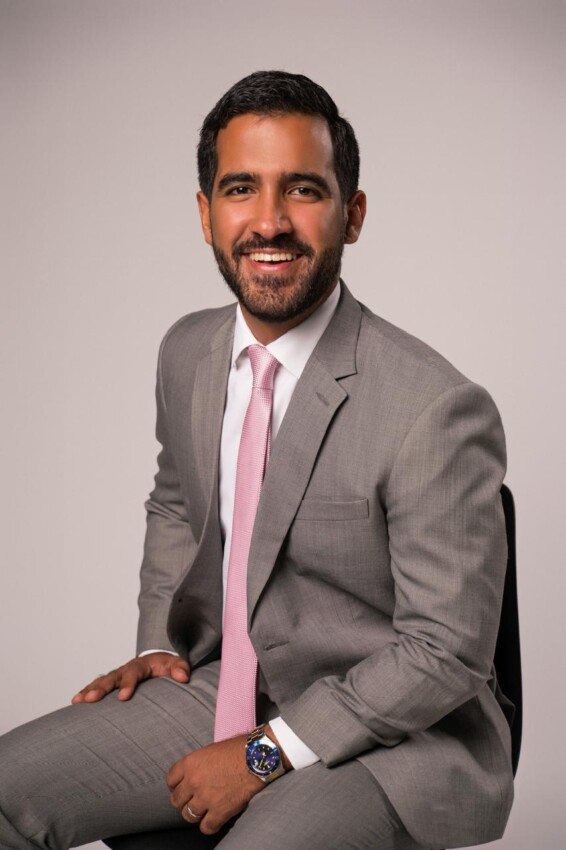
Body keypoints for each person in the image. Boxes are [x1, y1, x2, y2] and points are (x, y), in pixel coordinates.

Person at [0, 71, 513, 850]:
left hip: (398, 737)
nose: (269, 221)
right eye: (241, 188)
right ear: (206, 214)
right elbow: (178, 502)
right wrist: (159, 644)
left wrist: (263, 754)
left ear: (352, 215)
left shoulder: (434, 407)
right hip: (223, 691)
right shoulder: (187, 351)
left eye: (303, 190)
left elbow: (445, 651)